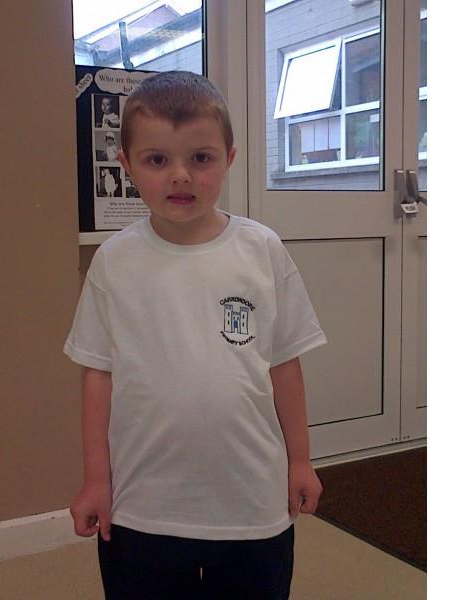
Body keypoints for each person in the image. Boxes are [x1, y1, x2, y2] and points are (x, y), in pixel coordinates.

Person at [64, 71, 327, 600]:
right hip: (143, 505)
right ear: (127, 165)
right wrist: (96, 480)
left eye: (200, 158)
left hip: (252, 502)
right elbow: (99, 376)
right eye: (157, 160)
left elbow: (284, 363)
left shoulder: (262, 250)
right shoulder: (115, 262)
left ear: (228, 159)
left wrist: (300, 460)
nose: (180, 176)